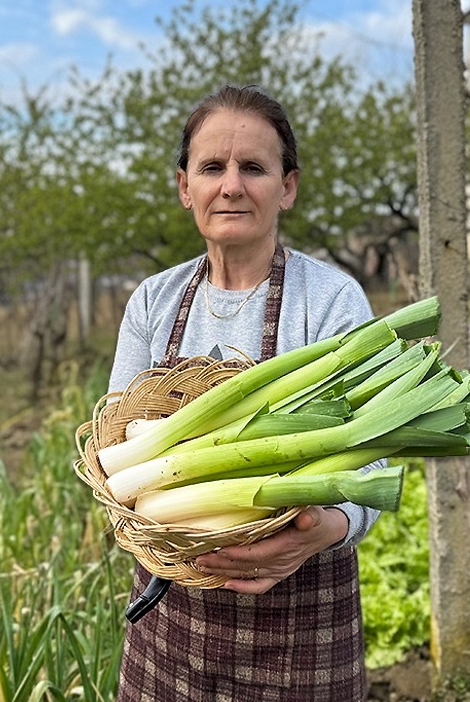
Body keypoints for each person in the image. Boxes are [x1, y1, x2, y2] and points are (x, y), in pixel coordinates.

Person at [107, 84, 386, 701]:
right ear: (186, 187)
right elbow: (115, 453)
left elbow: (373, 460)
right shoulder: (155, 301)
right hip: (174, 605)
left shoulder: (332, 302)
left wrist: (326, 527)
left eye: (253, 168)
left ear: (286, 186)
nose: (231, 185)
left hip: (301, 607)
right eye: (212, 167)